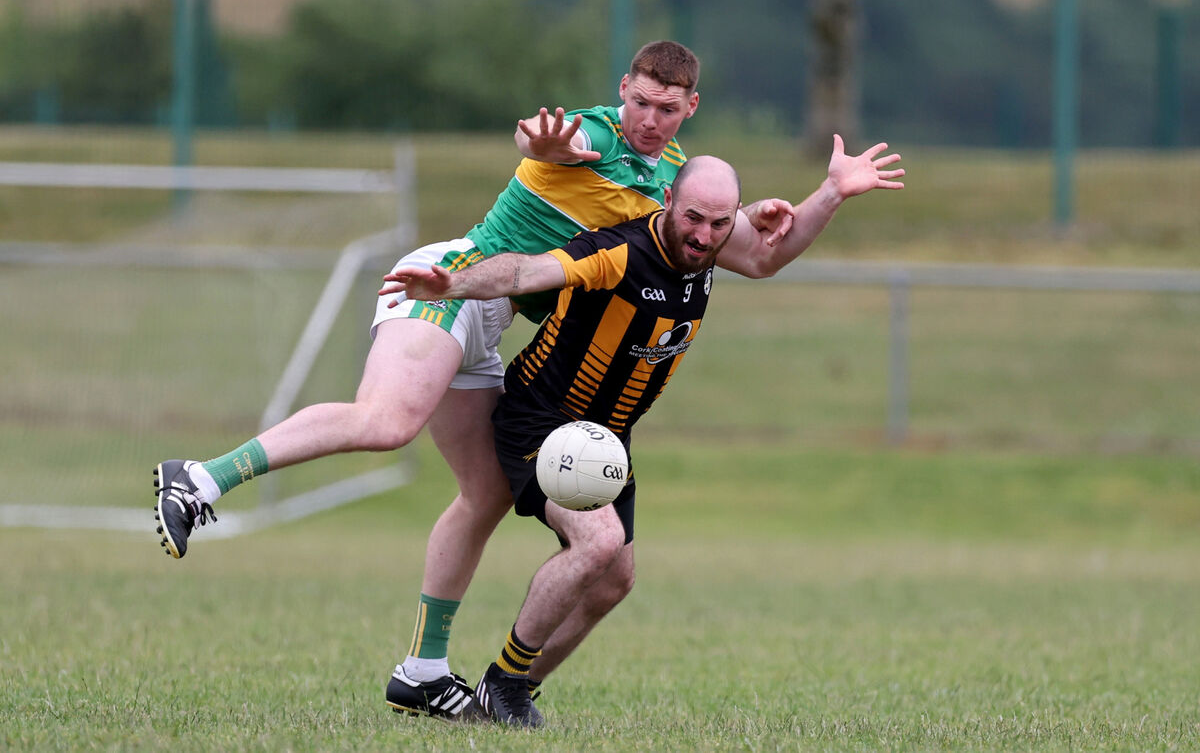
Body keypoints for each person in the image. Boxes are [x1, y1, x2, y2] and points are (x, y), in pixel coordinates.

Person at [152, 40, 903, 720]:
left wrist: (825, 192)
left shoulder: (674, 184)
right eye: (641, 102)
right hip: (453, 278)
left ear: (689, 108)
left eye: (667, 109)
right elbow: (556, 140)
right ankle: (201, 479)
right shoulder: (598, 135)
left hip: (492, 314)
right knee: (386, 422)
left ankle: (422, 671)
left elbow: (759, 255)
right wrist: (541, 144)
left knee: (484, 494)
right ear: (624, 91)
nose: (649, 120)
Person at [379, 154, 895, 728]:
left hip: (607, 437)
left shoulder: (707, 246)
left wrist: (832, 191)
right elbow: (528, 272)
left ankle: (510, 690)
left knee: (613, 583)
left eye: (719, 224)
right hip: (543, 419)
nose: (704, 236)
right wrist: (456, 284)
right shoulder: (619, 251)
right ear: (668, 200)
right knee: (597, 541)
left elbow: (766, 256)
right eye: (693, 218)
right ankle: (503, 684)